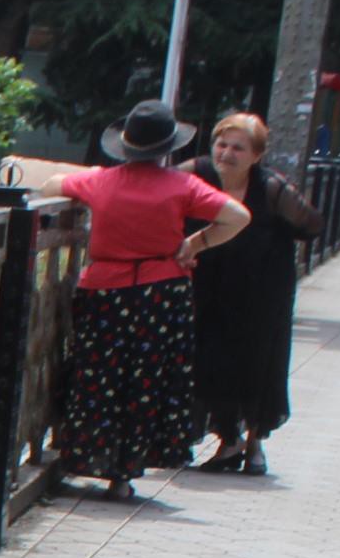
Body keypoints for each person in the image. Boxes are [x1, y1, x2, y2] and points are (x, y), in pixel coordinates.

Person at [53, 99, 253, 482]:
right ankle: (129, 467)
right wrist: (195, 244)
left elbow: (52, 185)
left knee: (100, 374)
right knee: (147, 379)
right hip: (161, 294)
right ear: (168, 147)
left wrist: (88, 175)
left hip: (105, 293)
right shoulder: (183, 185)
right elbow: (238, 217)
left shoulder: (100, 181)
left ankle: (91, 455)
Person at [187, 112, 319, 475]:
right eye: (221, 144)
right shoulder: (196, 172)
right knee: (211, 357)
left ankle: (254, 444)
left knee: (259, 360)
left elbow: (311, 224)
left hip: (262, 287)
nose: (226, 154)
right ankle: (227, 440)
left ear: (256, 155)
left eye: (238, 148)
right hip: (211, 282)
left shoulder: (271, 187)